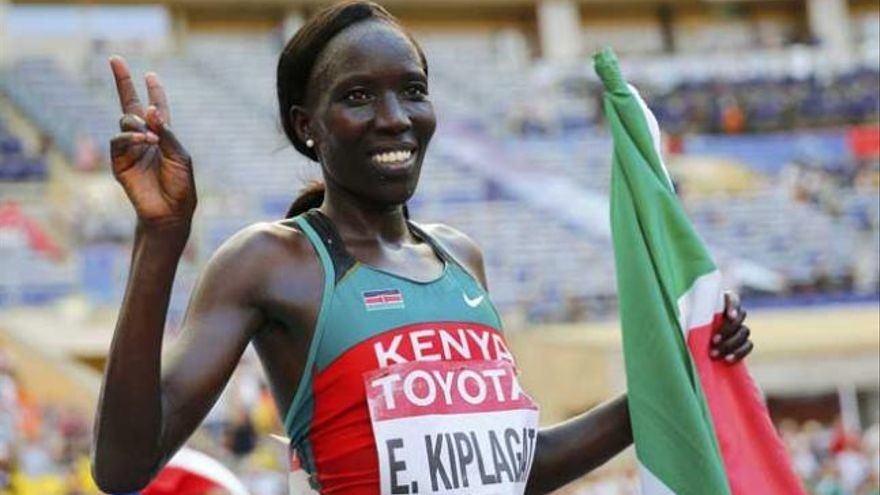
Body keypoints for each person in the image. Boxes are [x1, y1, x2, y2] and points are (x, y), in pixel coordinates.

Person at [91, 2, 755, 493]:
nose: (395, 118)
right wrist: (161, 237)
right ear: (307, 126)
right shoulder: (271, 261)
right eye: (358, 96)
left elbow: (513, 470)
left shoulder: (462, 258)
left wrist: (680, 371)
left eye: (412, 91)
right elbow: (123, 466)